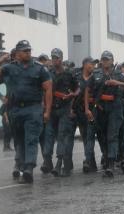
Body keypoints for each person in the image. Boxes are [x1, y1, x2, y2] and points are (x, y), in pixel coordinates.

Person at [0, 40, 52, 183]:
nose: (28, 53)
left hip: (33, 109)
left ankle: (29, 169)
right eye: (25, 51)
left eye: (29, 50)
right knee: (19, 140)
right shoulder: (9, 68)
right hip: (15, 109)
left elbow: (48, 89)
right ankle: (20, 164)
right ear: (17, 54)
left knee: (31, 139)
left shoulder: (40, 69)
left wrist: (47, 111)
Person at [84, 51, 124, 178]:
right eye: (103, 59)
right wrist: (87, 109)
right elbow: (87, 90)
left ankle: (111, 165)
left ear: (112, 61)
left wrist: (118, 83)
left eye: (107, 59)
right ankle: (108, 160)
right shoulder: (95, 74)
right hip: (99, 109)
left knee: (112, 136)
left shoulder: (118, 74)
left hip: (114, 108)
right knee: (102, 137)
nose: (105, 61)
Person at [42, 48, 79, 177]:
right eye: (53, 57)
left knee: (62, 136)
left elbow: (78, 88)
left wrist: (72, 95)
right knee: (49, 135)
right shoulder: (48, 73)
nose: (54, 60)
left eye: (56, 58)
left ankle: (59, 164)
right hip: (51, 108)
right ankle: (47, 160)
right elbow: (43, 89)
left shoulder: (69, 74)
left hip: (64, 108)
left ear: (61, 59)